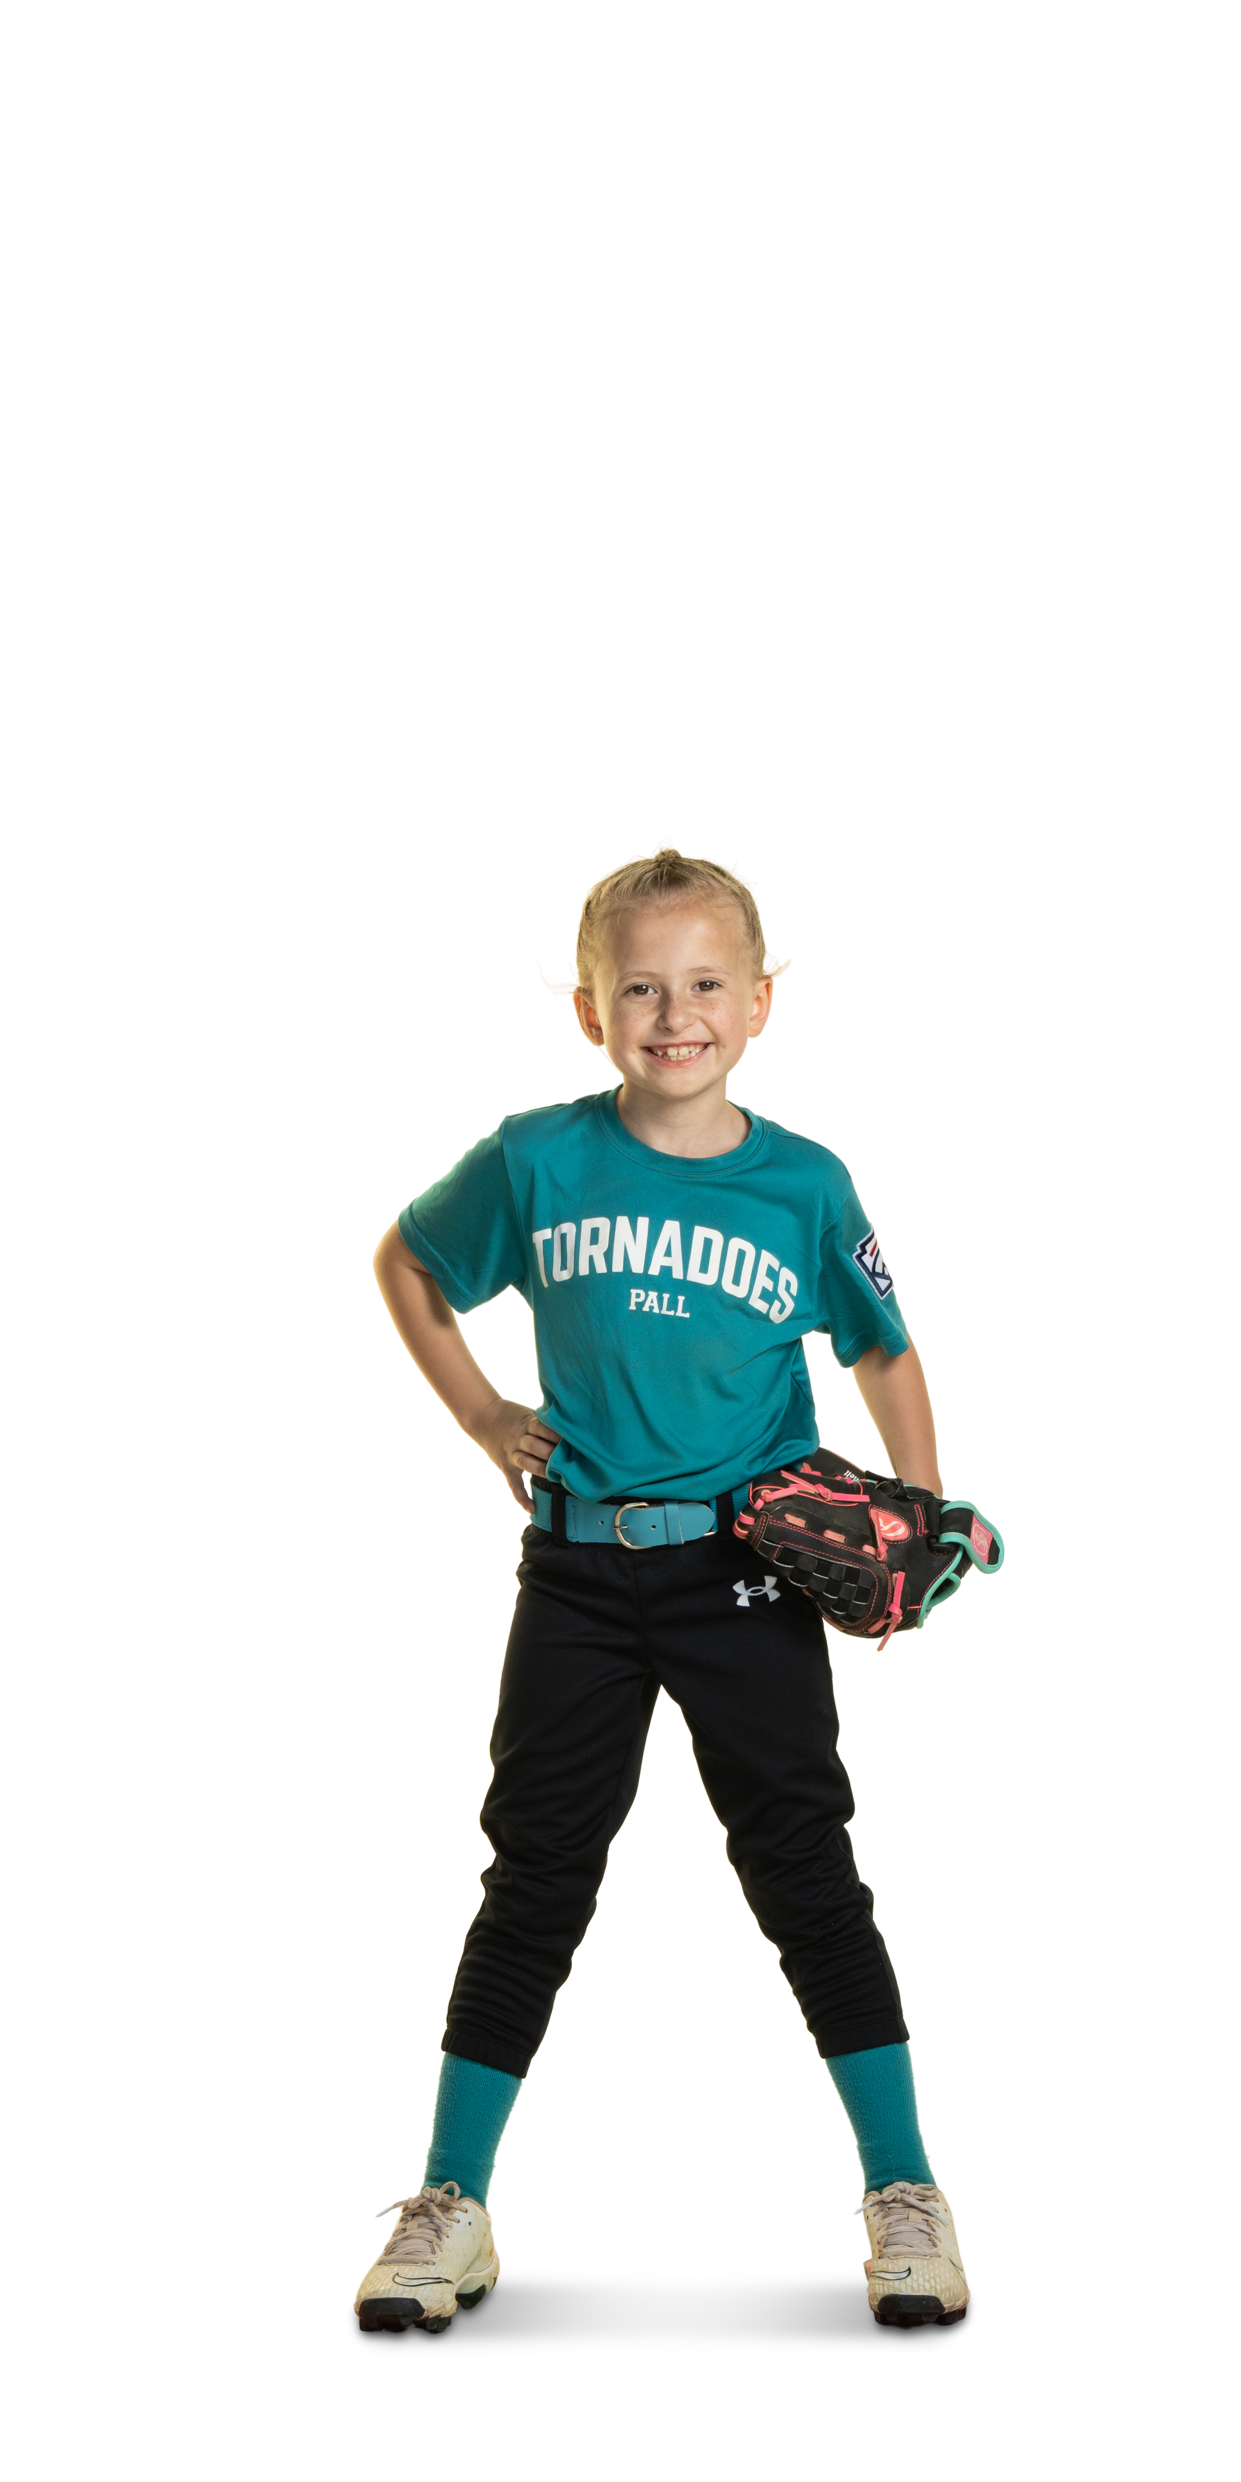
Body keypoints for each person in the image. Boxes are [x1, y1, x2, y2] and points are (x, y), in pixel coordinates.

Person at [355, 841, 973, 2335]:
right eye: (639, 988)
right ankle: (451, 2204)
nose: (674, 1014)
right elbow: (405, 1263)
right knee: (534, 1869)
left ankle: (906, 2189)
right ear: (588, 1009)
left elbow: (882, 1348)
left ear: (759, 1001)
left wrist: (918, 1513)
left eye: (706, 984)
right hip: (574, 1565)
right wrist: (484, 1416)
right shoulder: (537, 1156)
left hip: (744, 1564)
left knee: (803, 1864)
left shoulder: (804, 1183)